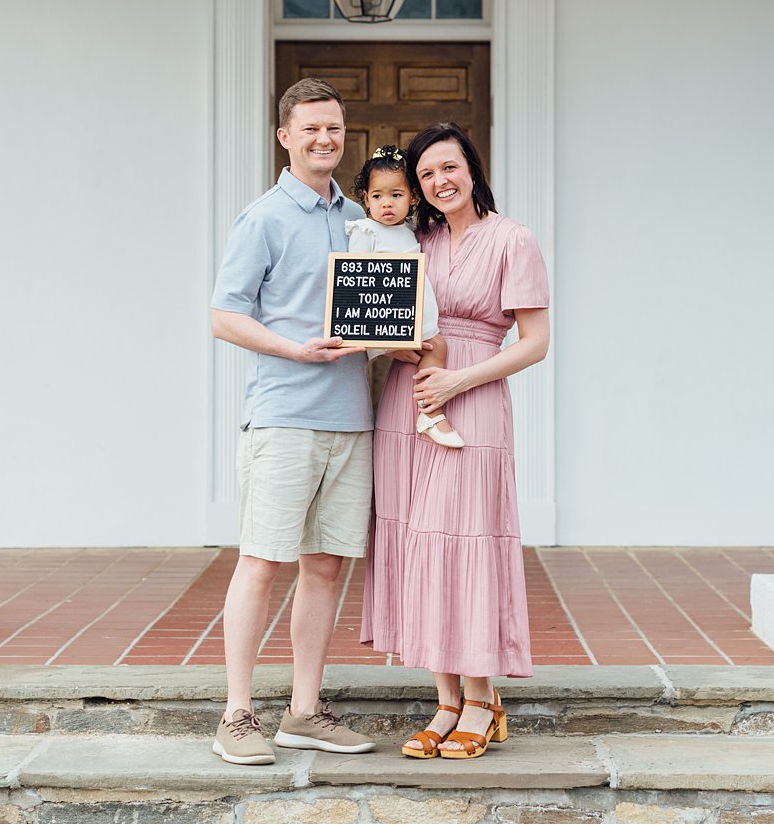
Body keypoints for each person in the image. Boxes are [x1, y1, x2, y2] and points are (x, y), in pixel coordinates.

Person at [359, 121, 550, 761]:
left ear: (471, 168)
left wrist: (458, 380)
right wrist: (390, 344)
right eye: (426, 174)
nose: (440, 181)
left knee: (467, 539)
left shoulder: (513, 238)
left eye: (449, 167)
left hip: (474, 396)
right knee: (419, 540)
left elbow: (535, 343)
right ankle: (445, 702)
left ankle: (482, 699)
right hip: (408, 398)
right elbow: (389, 314)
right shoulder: (415, 240)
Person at [208, 77, 378, 766]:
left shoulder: (362, 219)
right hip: (283, 418)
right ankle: (237, 713)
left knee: (326, 567)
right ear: (285, 136)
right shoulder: (263, 218)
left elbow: (379, 311)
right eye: (310, 129)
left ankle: (305, 711)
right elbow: (224, 315)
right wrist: (293, 348)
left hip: (351, 419)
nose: (323, 139)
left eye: (333, 128)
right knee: (261, 562)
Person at [345, 144, 463, 450]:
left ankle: (427, 412)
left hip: (413, 311)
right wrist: (383, 339)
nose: (386, 203)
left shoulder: (411, 229)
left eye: (396, 195)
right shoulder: (365, 230)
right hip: (386, 314)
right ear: (366, 199)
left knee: (433, 349)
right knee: (438, 346)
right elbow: (355, 280)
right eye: (377, 196)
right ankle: (431, 413)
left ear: (413, 197)